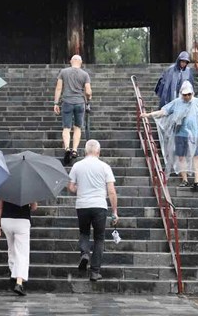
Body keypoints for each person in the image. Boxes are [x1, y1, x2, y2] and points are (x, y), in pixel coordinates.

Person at [141, 81, 198, 192]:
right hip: (180, 134)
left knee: (197, 156)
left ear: (192, 93)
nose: (187, 97)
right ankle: (184, 179)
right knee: (181, 157)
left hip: (194, 134)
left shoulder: (197, 102)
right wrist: (149, 115)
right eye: (185, 95)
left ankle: (197, 181)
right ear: (181, 94)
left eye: (189, 94)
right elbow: (164, 112)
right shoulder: (176, 103)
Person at [67, 139, 119, 282]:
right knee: (99, 238)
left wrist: (80, 189)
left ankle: (84, 254)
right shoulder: (105, 167)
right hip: (99, 206)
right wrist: (114, 211)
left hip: (82, 205)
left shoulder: (77, 166)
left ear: (85, 151)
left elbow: (70, 187)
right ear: (98, 151)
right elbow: (111, 191)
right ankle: (95, 272)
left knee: (84, 233)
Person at [53, 55, 92, 165]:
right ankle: (74, 150)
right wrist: (89, 98)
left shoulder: (63, 72)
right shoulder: (85, 74)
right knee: (78, 127)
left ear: (71, 61)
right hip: (80, 102)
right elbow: (88, 91)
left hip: (67, 102)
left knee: (66, 127)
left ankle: (67, 148)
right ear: (81, 62)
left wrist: (56, 103)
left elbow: (59, 88)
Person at [0, 200, 37, 296]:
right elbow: (34, 207)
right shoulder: (28, 191)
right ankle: (19, 282)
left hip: (6, 220)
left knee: (12, 249)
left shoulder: (5, 190)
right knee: (22, 252)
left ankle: (13, 273)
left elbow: (0, 207)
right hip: (22, 221)